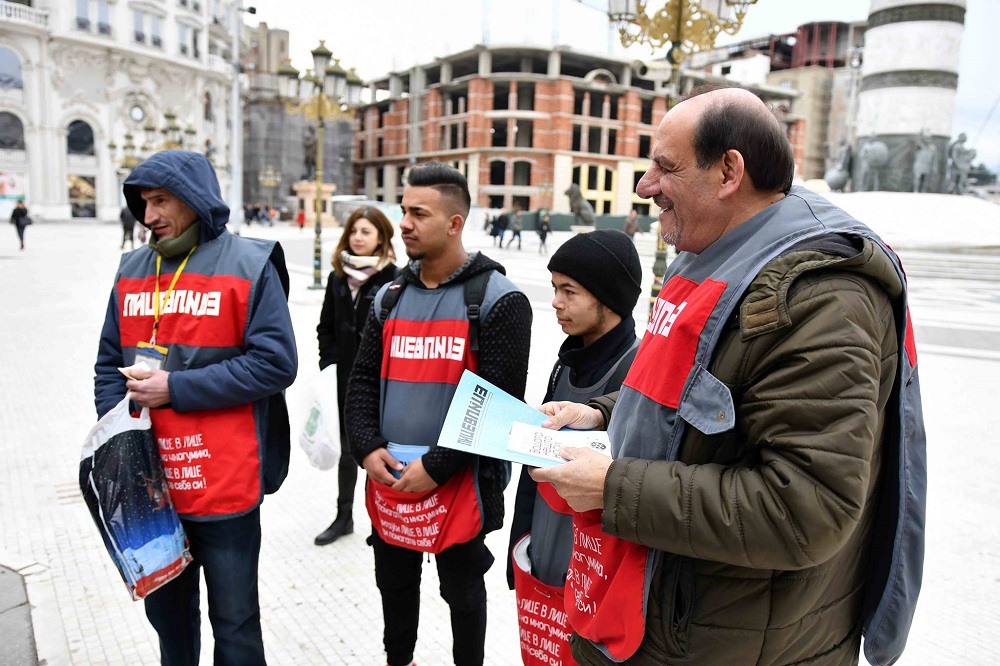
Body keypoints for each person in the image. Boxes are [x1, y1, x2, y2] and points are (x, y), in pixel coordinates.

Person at [530, 86, 927, 666]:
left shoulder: (821, 298)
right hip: (658, 620)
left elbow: (807, 508)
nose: (644, 187)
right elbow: (692, 393)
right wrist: (603, 412)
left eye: (665, 167)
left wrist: (614, 487)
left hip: (731, 642)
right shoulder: (711, 251)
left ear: (728, 172)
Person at [93, 150, 298, 665]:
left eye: (161, 200)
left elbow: (276, 364)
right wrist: (120, 439)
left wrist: (175, 389)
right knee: (169, 625)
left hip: (223, 484)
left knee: (235, 625)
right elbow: (107, 366)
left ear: (195, 199)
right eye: (143, 202)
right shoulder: (131, 269)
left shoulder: (251, 264)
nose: (149, 214)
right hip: (150, 487)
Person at [346, 162, 532, 666]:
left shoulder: (499, 300)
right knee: (395, 592)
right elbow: (362, 380)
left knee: (464, 598)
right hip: (390, 482)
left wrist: (438, 466)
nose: (403, 222)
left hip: (458, 486)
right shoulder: (389, 297)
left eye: (418, 213)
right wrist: (365, 448)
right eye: (403, 210)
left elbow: (498, 406)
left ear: (455, 223)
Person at [506, 229, 642, 665]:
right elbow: (534, 457)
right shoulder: (566, 361)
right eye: (554, 289)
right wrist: (520, 542)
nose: (556, 303)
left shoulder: (637, 370)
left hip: (595, 575)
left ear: (610, 298)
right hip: (544, 554)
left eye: (570, 291)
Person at [314, 207, 399, 546]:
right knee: (348, 450)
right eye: (354, 231)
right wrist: (329, 365)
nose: (358, 238)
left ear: (381, 236)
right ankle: (344, 516)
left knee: (382, 451)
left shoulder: (395, 278)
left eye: (366, 231)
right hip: (341, 379)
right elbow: (325, 328)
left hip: (381, 384)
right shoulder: (338, 277)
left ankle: (385, 521)